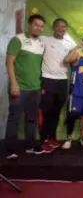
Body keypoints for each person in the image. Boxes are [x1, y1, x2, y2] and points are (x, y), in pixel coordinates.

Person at [5, 14, 46, 159]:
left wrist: (40, 85)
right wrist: (14, 84)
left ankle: (30, 145)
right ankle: (10, 150)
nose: (38, 28)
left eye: (41, 26)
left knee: (32, 118)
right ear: (29, 25)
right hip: (20, 87)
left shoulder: (41, 44)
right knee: (14, 118)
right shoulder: (18, 40)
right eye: (36, 25)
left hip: (35, 88)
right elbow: (9, 63)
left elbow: (37, 66)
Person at [38, 18, 76, 153]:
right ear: (53, 27)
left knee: (56, 111)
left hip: (62, 80)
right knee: (46, 111)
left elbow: (75, 55)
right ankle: (43, 140)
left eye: (64, 27)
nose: (61, 29)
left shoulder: (69, 43)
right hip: (47, 79)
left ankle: (52, 138)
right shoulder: (44, 40)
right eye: (59, 26)